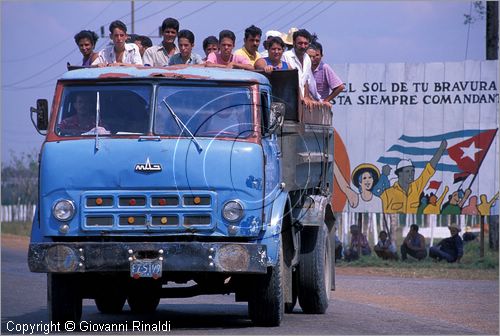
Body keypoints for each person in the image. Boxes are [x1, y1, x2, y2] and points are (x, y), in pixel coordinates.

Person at [380, 139, 447, 214]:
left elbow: (428, 171)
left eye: (413, 171)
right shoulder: (387, 194)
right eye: (407, 171)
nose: (411, 174)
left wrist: (441, 150)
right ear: (399, 174)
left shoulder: (416, 187)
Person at [282, 29, 323, 105]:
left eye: (305, 43)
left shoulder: (307, 58)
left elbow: (306, 80)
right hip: (288, 99)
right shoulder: (286, 56)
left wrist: (306, 96)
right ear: (294, 43)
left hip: (301, 102)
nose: (303, 46)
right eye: (300, 43)